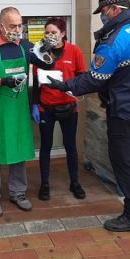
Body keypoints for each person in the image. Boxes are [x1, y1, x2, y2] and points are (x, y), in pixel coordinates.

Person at [45, 0, 130, 232]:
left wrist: (65, 85)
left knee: (124, 161)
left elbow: (95, 79)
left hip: (125, 110)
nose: (103, 17)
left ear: (115, 9)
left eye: (104, 12)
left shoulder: (112, 41)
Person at [0, 7, 53, 217]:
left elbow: (45, 62)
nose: (18, 30)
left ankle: (18, 193)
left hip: (17, 112)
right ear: (1, 26)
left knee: (19, 151)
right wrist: (3, 81)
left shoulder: (25, 46)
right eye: (13, 26)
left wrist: (46, 49)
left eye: (20, 25)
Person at [31, 17, 87, 201]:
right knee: (45, 146)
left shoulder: (74, 51)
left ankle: (75, 182)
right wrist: (35, 105)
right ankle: (45, 183)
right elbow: (37, 83)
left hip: (69, 108)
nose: (50, 36)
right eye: (47, 33)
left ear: (62, 33)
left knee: (70, 146)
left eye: (53, 32)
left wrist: (71, 89)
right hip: (47, 107)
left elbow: (81, 78)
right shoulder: (39, 53)